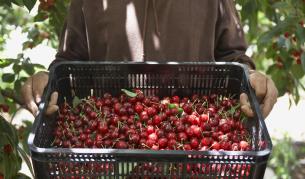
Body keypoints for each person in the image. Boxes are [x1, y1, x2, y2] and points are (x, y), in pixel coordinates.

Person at [21, 0, 278, 118]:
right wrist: (48, 79)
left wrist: (250, 77)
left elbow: (233, 58)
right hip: (110, 143)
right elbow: (69, 63)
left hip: (193, 145)